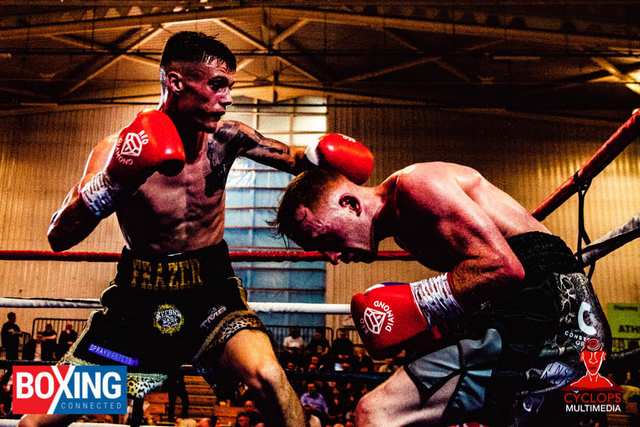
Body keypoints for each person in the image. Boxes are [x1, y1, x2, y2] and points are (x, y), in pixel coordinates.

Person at [21, 31, 372, 427]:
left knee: (270, 379)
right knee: (35, 423)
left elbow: (294, 159)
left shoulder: (227, 137)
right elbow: (58, 237)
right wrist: (115, 180)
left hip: (210, 293)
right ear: (176, 82)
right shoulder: (115, 149)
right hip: (138, 301)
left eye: (230, 86)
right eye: (217, 85)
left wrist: (322, 154)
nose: (228, 98)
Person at [272, 164, 610, 426]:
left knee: (376, 413)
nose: (332, 257)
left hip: (551, 310)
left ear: (349, 204)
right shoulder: (405, 231)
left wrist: (416, 303)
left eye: (326, 239)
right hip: (544, 317)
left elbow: (504, 268)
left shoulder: (415, 187)